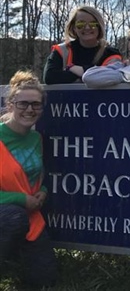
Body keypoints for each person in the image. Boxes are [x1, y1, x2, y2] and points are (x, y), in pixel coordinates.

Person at [0, 71, 58, 288]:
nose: (30, 109)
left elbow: (34, 176)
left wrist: (42, 190)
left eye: (36, 104)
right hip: (8, 214)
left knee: (45, 279)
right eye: (23, 103)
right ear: (11, 104)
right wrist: (21, 199)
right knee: (14, 216)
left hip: (29, 218)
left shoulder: (36, 139)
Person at [43, 5, 121, 84]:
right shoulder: (62, 50)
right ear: (74, 28)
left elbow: (113, 76)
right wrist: (88, 74)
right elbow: (50, 77)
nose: (87, 27)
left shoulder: (111, 54)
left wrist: (75, 69)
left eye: (93, 24)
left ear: (99, 27)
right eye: (81, 24)